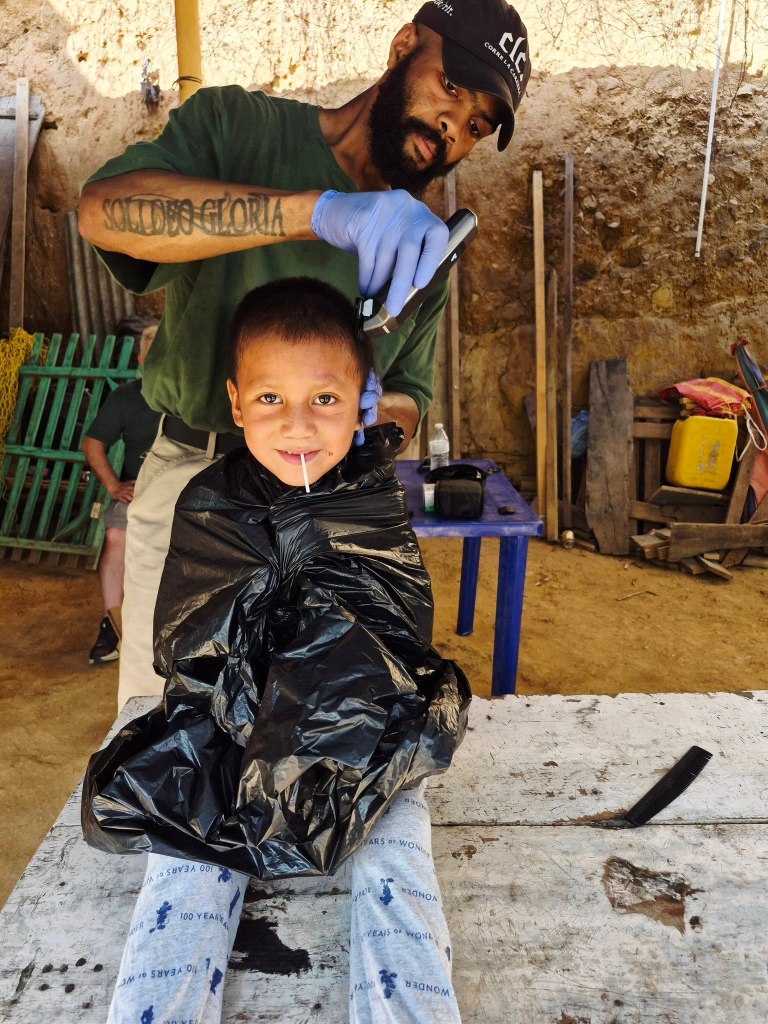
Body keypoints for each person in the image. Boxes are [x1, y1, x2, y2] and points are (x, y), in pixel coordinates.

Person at [76, 0, 531, 708]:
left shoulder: (423, 250)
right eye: (451, 87)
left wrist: (375, 416)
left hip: (327, 508)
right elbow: (102, 211)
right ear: (404, 45)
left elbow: (410, 394)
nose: (453, 125)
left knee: (306, 719)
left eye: (476, 124)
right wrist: (319, 213)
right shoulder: (238, 127)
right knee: (167, 712)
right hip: (192, 482)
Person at [83, 278, 472, 1024]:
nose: (298, 425)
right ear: (235, 403)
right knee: (183, 871)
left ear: (362, 403)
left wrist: (320, 744)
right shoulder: (211, 501)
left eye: (325, 399)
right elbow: (191, 650)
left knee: (397, 864)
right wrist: (258, 744)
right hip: (224, 739)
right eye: (270, 399)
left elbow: (391, 644)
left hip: (362, 744)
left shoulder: (370, 500)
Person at [81, 322, 160, 664]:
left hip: (187, 494)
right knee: (115, 537)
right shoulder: (127, 397)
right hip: (138, 491)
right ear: (141, 360)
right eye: (153, 357)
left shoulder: (194, 400)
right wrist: (114, 486)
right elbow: (92, 443)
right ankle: (113, 626)